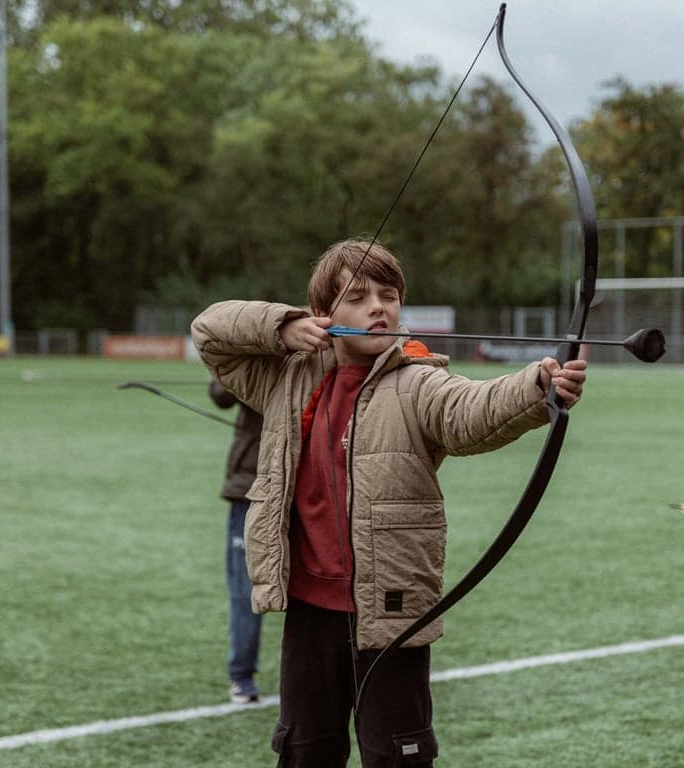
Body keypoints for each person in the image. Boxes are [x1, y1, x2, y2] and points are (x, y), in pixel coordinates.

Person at [192, 239, 587, 767]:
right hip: (310, 608)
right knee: (305, 750)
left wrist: (539, 386)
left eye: (388, 295)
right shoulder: (287, 377)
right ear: (323, 315)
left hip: (391, 609)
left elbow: (470, 412)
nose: (378, 307)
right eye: (357, 297)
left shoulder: (418, 381)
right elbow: (210, 331)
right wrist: (283, 326)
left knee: (397, 754)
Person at [209, 379, 265, 704]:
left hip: (305, 483)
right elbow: (220, 395)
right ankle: (242, 675)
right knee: (246, 589)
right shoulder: (251, 343)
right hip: (250, 485)